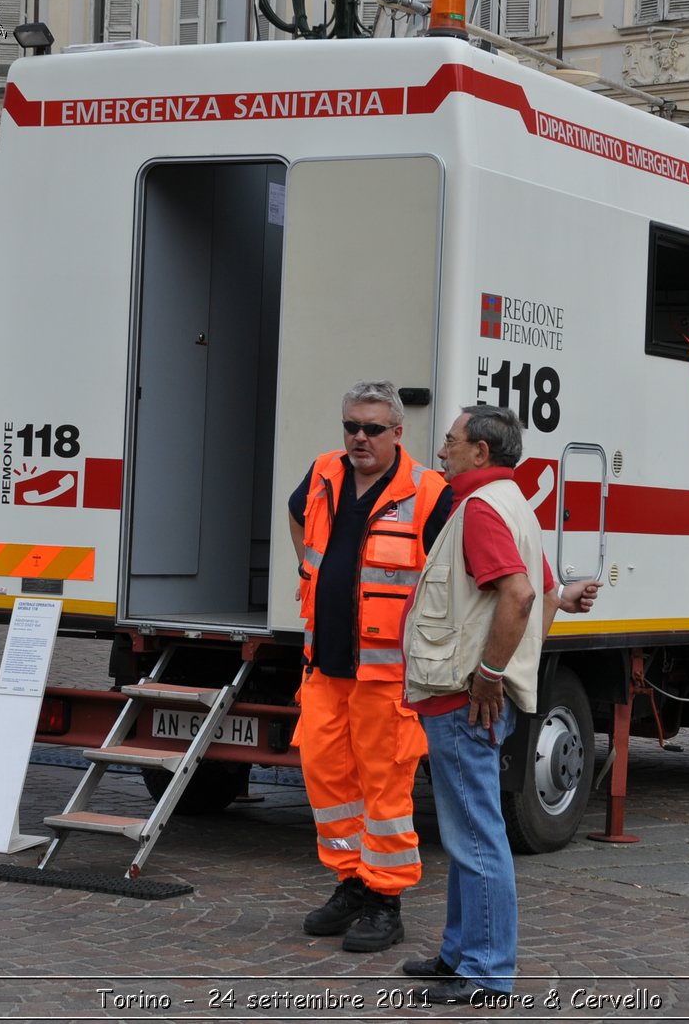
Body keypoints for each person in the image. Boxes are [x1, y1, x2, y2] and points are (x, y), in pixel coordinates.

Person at [400, 405, 599, 1004]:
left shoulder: (482, 509)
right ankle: (460, 954)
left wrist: (486, 675)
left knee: (478, 839)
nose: (442, 451)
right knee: (468, 835)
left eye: (452, 441)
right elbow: (534, 589)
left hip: (464, 701)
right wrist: (563, 595)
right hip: (469, 700)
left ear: (481, 452)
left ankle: (485, 971)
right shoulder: (510, 503)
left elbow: (516, 594)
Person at [288, 381, 454, 954]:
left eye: (372, 429)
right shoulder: (323, 474)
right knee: (329, 781)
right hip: (325, 667)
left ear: (397, 434)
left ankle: (386, 902)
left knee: (385, 791)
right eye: (351, 426)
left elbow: (450, 577)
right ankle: (351, 885)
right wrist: (315, 577)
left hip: (387, 677)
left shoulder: (429, 493)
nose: (359, 437)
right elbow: (298, 523)